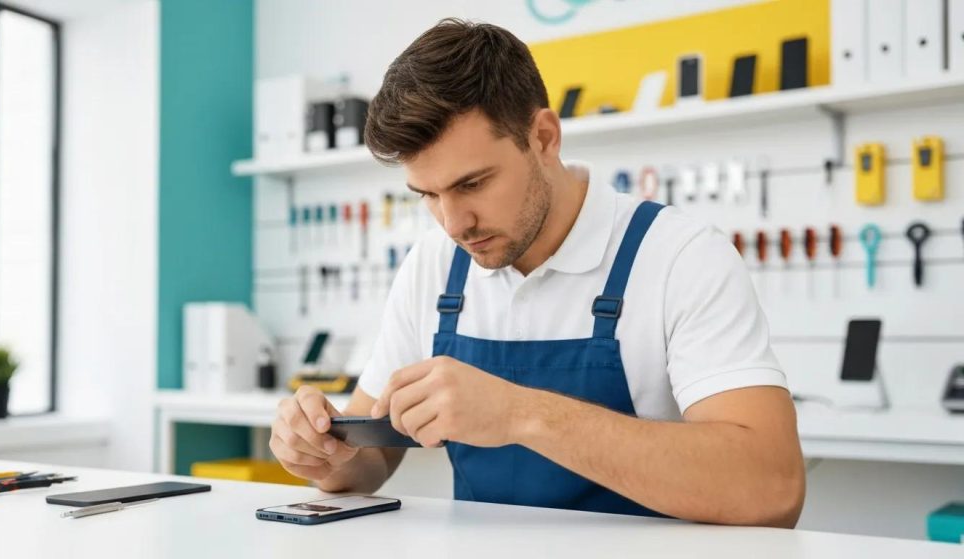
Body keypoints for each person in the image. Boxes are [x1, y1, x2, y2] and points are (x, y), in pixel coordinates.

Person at [270, 18, 804, 528]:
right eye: (428, 195)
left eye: (473, 183)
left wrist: (520, 414)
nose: (454, 222)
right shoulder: (433, 265)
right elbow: (373, 458)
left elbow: (771, 488)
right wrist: (325, 455)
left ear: (544, 137)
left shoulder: (680, 257)